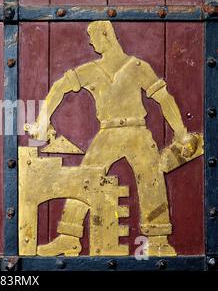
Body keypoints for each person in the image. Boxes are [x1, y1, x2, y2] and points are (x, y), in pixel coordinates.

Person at [27, 20, 197, 256]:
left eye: (93, 36)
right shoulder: (92, 70)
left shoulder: (137, 66)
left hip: (137, 131)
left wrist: (180, 132)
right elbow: (58, 87)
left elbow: (164, 99)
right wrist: (42, 121)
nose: (90, 42)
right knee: (83, 179)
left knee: (151, 178)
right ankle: (68, 238)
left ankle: (158, 241)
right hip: (107, 133)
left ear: (106, 35)